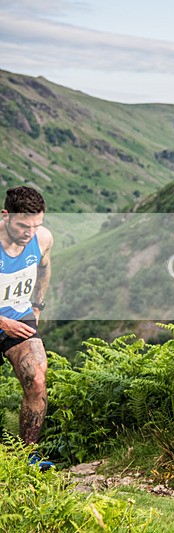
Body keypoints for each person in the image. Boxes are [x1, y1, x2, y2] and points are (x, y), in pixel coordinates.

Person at [0, 186, 54, 471]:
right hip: (2, 320)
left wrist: (37, 306)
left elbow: (44, 268)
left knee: (36, 376)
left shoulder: (42, 238)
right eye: (23, 225)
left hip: (19, 319)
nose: (29, 232)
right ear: (5, 215)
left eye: (36, 225)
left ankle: (26, 459)